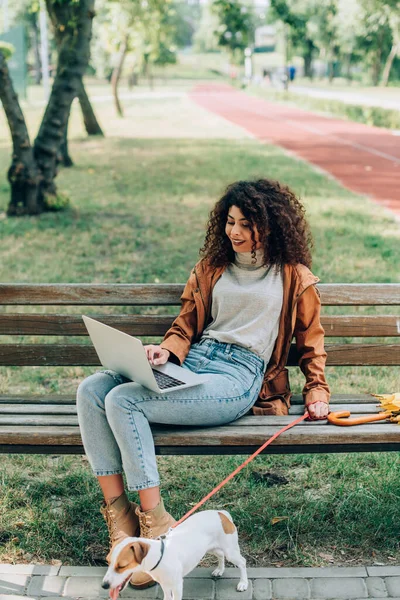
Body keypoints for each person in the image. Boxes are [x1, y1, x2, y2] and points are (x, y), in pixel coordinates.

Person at [76, 178, 330, 589]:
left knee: (124, 401)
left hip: (239, 377)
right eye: (229, 222)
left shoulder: (294, 278)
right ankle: (121, 519)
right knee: (91, 391)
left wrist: (316, 390)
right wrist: (166, 353)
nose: (234, 232)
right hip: (195, 361)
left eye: (246, 224)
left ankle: (156, 525)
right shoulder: (212, 267)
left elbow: (311, 343)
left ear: (271, 225)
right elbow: (187, 324)